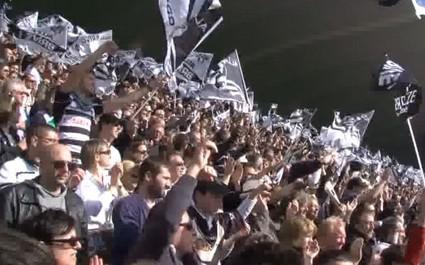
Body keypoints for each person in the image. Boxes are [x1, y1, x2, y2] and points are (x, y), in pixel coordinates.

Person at [54, 41, 148, 162]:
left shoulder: (92, 107)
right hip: (61, 161)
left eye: (95, 79)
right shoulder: (65, 98)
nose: (94, 82)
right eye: (90, 78)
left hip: (80, 165)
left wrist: (150, 87)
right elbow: (78, 72)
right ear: (80, 80)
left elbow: (127, 100)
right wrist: (102, 50)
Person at [126, 146, 208, 265]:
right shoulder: (128, 205)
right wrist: (195, 166)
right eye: (188, 227)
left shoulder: (185, 258)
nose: (193, 232)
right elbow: (169, 216)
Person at [0, 144, 88, 250]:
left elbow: (83, 245)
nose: (65, 170)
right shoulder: (12, 197)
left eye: (70, 166)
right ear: (41, 166)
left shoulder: (76, 202)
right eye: (58, 164)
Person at [112, 158, 171, 265]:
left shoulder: (163, 207)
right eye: (165, 178)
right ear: (148, 176)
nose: (168, 185)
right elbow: (131, 244)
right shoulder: (127, 206)